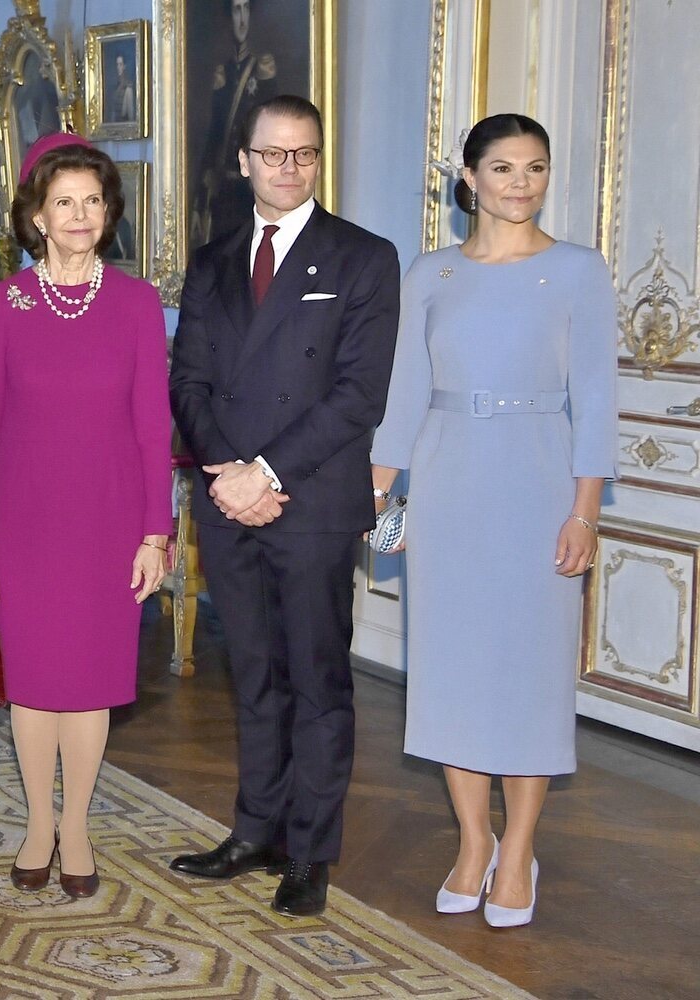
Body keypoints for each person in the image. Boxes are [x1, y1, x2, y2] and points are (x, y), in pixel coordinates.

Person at [368, 114, 615, 929]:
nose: (521, 184)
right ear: (467, 178)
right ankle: (473, 842)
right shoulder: (429, 273)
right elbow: (402, 393)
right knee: (453, 671)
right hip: (445, 484)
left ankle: (519, 852)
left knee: (530, 674)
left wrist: (584, 511)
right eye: (503, 168)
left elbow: (598, 404)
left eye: (535, 169)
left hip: (539, 479)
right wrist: (377, 495)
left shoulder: (579, 271)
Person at [166, 94, 399, 917]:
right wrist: (228, 471)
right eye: (273, 154)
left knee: (317, 679)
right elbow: (186, 379)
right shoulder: (213, 260)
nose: (288, 167)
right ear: (244, 162)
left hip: (311, 499)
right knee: (254, 675)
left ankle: (310, 850)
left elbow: (357, 396)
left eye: (303, 154)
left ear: (318, 160)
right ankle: (255, 829)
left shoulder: (364, 258)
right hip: (229, 497)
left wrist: (265, 471)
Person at [0, 133, 170, 900]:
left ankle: (80, 826)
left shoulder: (136, 303)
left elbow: (154, 425)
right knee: (32, 679)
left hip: (110, 517)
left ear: (109, 212)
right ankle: (35, 823)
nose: (80, 215)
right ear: (36, 214)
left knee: (89, 679)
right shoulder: (3, 303)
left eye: (93, 201)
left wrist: (156, 532)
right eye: (65, 202)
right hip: (22, 517)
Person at [195, 0, 280, 246]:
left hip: (252, 190)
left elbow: (272, 131)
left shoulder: (263, 68)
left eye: (246, 9)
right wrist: (206, 175)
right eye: (236, 10)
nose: (241, 19)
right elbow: (215, 132)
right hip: (226, 189)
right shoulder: (223, 72)